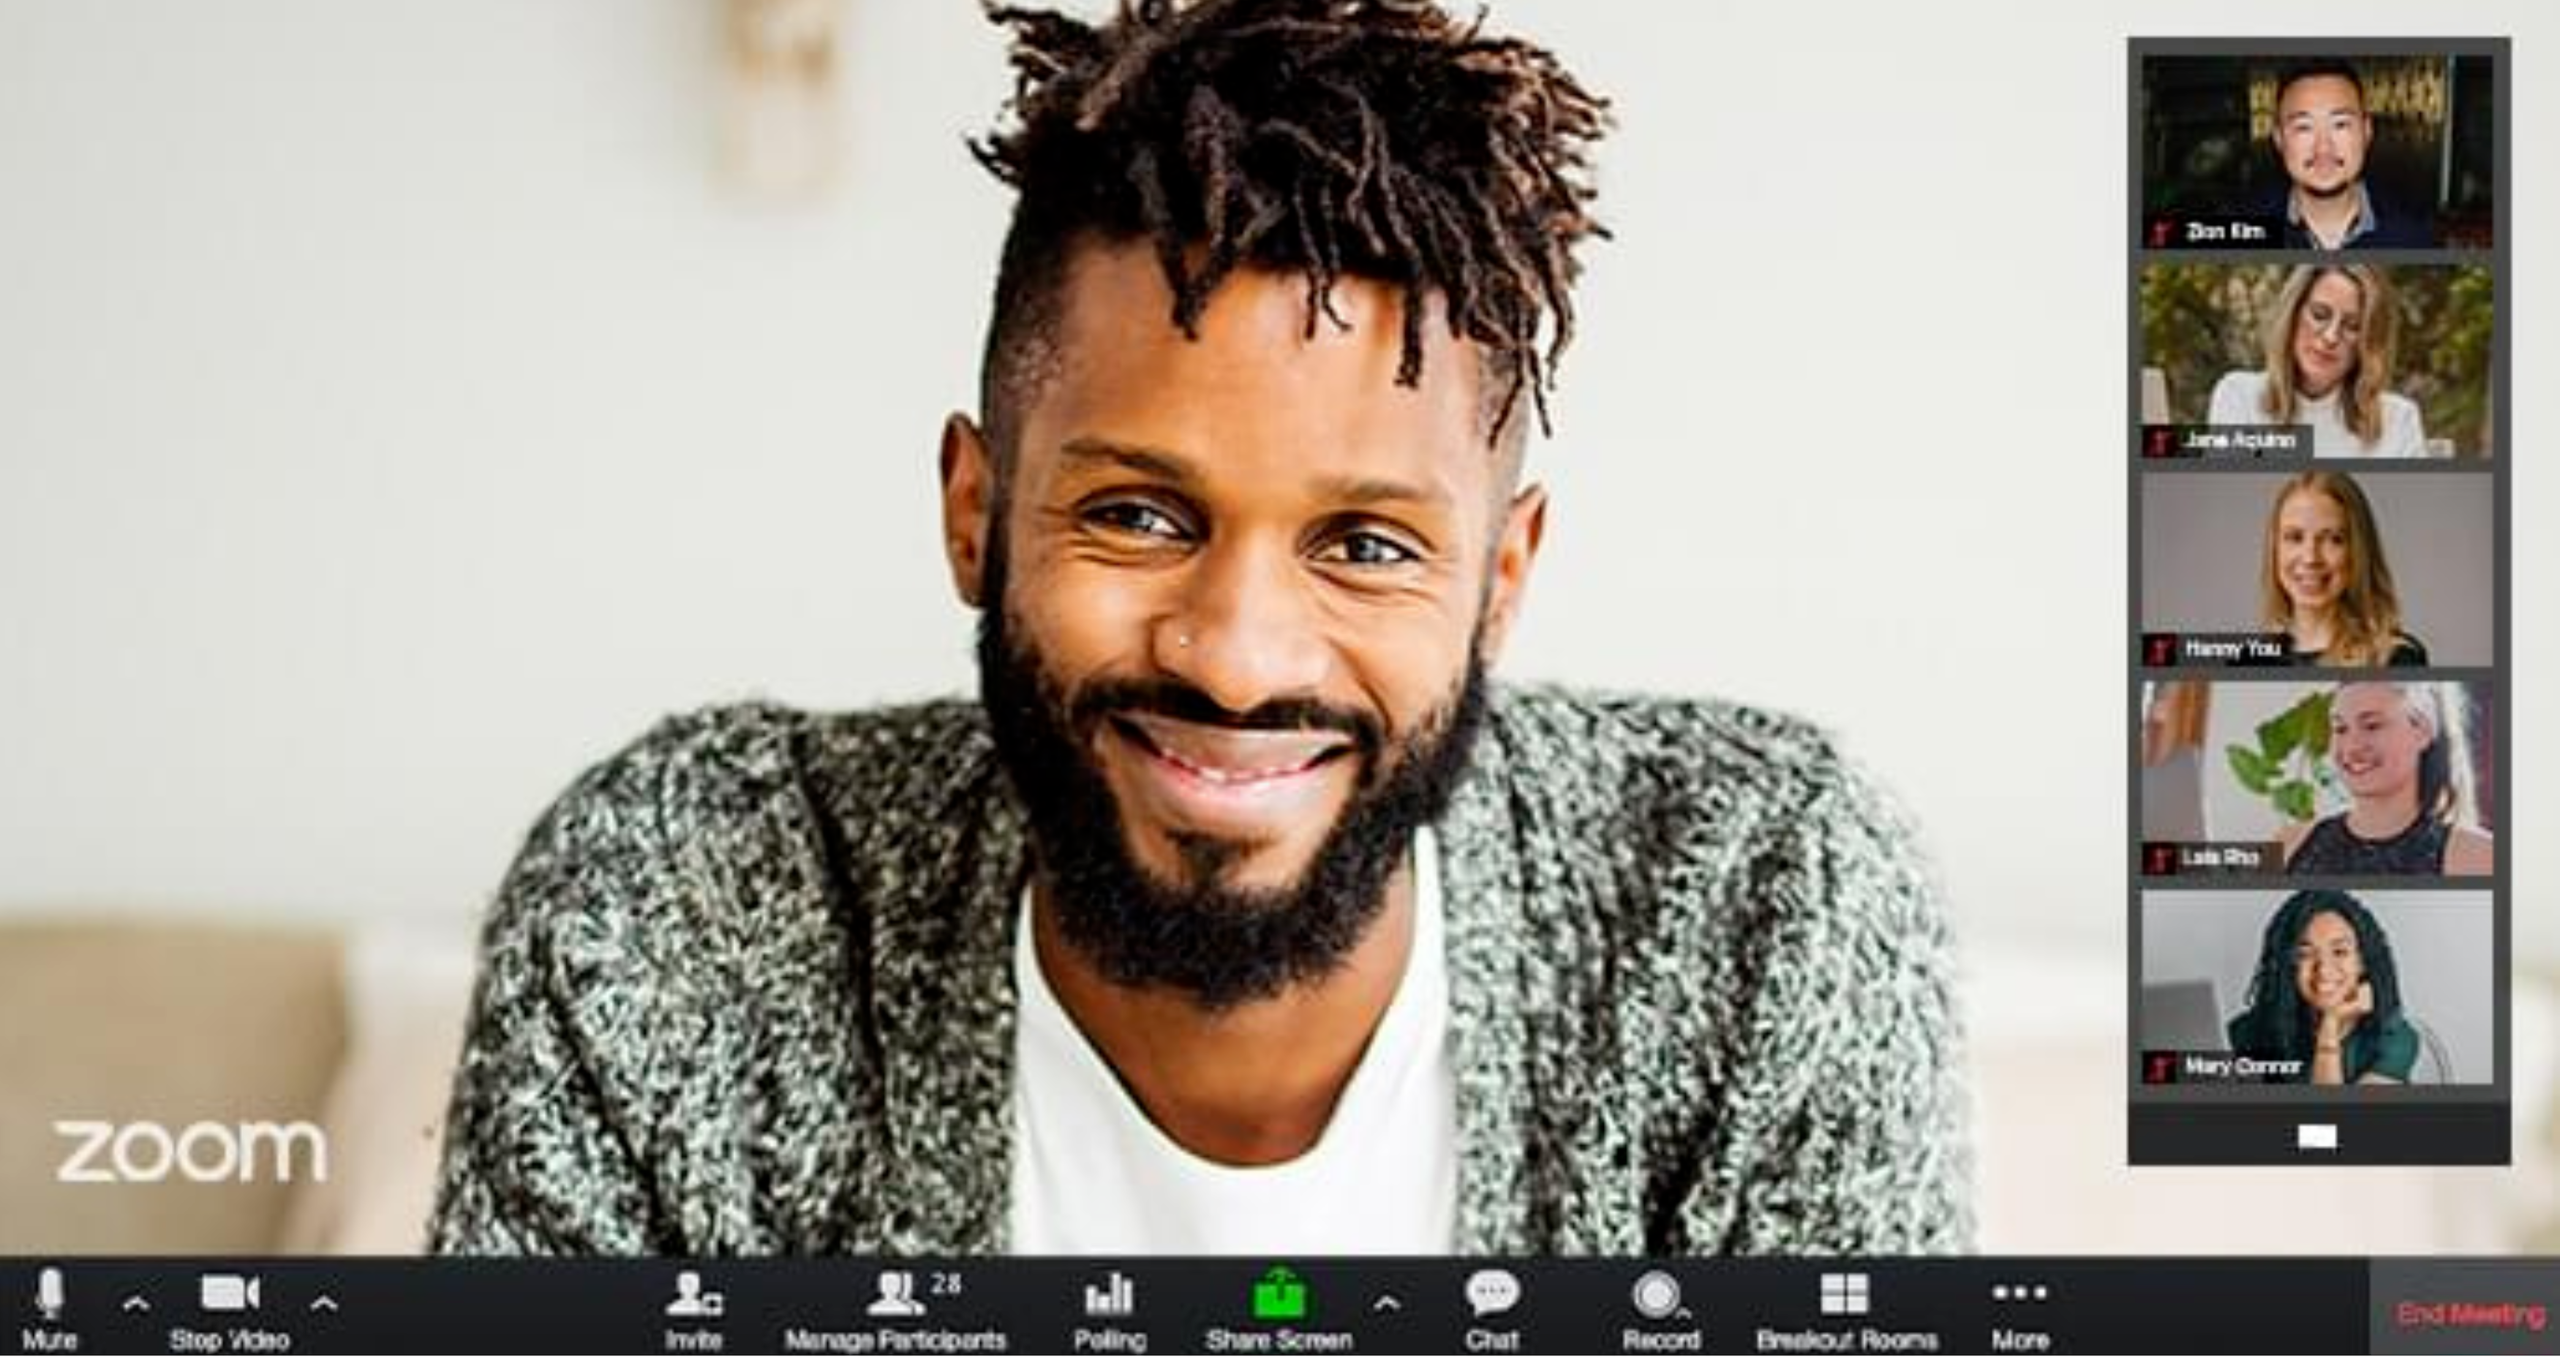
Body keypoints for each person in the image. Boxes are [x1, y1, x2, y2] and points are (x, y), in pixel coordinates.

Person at [425, 0, 1968, 1256]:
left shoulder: (1765, 908)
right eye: (1141, 516)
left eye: (1365, 547)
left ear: (1501, 581)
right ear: (975, 511)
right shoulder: (678, 909)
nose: (1236, 657)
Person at [2206, 265, 2428, 458]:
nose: (2331, 337)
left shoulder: (2399, 419)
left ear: (2368, 341)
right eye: (2319, 315)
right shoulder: (2239, 396)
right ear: (2292, 315)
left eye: (2353, 326)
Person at [2280, 682, 2493, 876]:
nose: (2352, 746)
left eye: (2372, 726)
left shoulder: (2482, 856)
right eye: (2340, 729)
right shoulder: (2285, 842)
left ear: (2423, 732)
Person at [2225, 889, 2420, 1085]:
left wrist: (2330, 1024)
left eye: (2339, 952)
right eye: (2305, 954)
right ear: (2288, 965)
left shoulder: (2394, 1037)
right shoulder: (2250, 1031)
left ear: (2363, 962)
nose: (2324, 970)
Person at [2256, 469, 2426, 666]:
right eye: (2295, 537)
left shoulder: (2395, 658)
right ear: (2274, 548)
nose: (2311, 558)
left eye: (2333, 539)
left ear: (2358, 551)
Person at [2259, 61, 2432, 249]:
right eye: (2303, 127)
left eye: (2340, 125)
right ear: (2278, 139)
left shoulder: (2413, 234)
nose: (2323, 149)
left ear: (2366, 131)